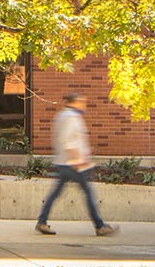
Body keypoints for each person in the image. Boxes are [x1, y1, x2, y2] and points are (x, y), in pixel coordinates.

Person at [35, 93, 118, 237]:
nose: (84, 105)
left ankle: (42, 221)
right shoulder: (71, 118)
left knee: (55, 193)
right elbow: (68, 141)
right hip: (73, 164)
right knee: (88, 193)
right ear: (75, 102)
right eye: (82, 102)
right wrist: (78, 160)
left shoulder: (62, 116)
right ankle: (100, 226)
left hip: (64, 163)